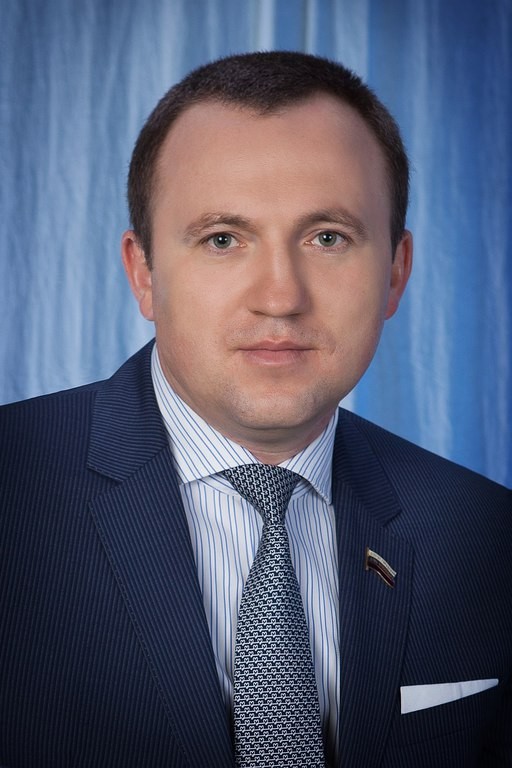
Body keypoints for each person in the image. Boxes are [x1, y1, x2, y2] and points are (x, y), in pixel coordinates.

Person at [0, 51, 510, 768]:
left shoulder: (488, 536)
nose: (280, 297)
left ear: (396, 272)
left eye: (327, 238)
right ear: (143, 273)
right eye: (223, 239)